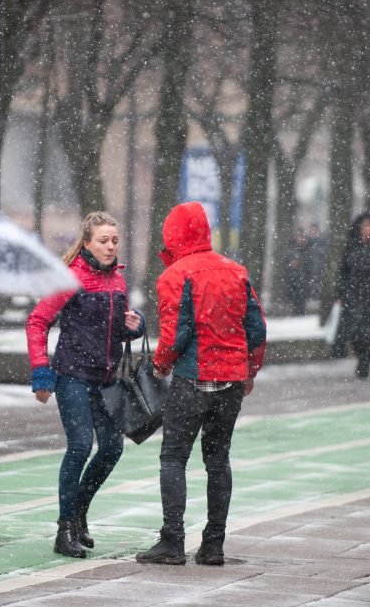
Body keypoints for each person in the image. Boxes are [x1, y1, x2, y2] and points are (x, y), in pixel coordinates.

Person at [136, 202, 266, 566]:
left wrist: (160, 365)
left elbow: (176, 335)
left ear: (172, 236)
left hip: (193, 380)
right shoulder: (236, 271)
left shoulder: (175, 275)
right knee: (218, 458)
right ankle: (213, 543)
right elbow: (256, 331)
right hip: (231, 382)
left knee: (174, 457)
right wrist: (249, 371)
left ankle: (172, 541)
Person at [25, 212, 145, 559]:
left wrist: (134, 326)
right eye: (104, 240)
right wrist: (41, 372)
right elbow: (37, 321)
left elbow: (116, 328)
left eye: (115, 240)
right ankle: (65, 530)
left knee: (111, 449)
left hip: (107, 379)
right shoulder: (71, 277)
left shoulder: (118, 280)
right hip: (73, 375)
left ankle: (79, 514)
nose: (111, 246)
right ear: (87, 243)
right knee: (80, 446)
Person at [336, 212, 370, 379]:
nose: (367, 229)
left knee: (369, 335)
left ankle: (365, 364)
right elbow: (343, 271)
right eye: (364, 226)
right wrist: (341, 292)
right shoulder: (351, 248)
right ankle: (361, 358)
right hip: (353, 297)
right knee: (354, 334)